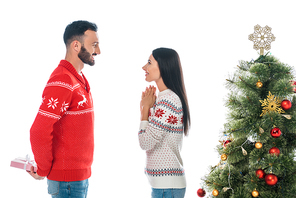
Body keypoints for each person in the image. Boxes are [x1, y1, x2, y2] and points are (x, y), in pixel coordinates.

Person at [28, 20, 100, 198]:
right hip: (67, 182)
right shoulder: (63, 81)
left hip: (76, 178)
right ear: (76, 45)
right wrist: (43, 168)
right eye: (94, 45)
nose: (98, 51)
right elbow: (39, 130)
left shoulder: (76, 78)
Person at [139, 48, 190, 198]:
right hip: (164, 187)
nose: (144, 67)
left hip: (167, 188)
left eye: (149, 63)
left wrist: (145, 109)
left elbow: (145, 141)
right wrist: (146, 107)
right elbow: (148, 133)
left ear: (163, 66)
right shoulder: (163, 99)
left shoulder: (168, 101)